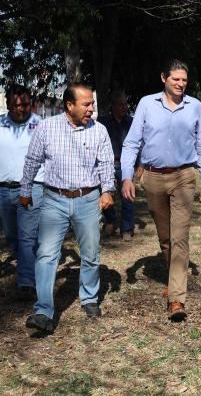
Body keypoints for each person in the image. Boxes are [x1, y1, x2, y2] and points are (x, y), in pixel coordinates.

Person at [20, 83, 115, 332]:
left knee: (91, 253)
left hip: (88, 200)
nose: (91, 109)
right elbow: (32, 161)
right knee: (46, 255)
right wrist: (25, 191)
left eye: (92, 104)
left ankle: (89, 297)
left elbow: (106, 164)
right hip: (54, 199)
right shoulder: (47, 128)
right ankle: (43, 311)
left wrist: (107, 191)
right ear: (69, 105)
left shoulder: (99, 131)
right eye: (86, 104)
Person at [121, 59, 201, 322]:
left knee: (180, 237)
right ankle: (174, 280)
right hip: (153, 178)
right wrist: (127, 177)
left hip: (183, 176)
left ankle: (177, 299)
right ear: (164, 78)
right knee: (166, 238)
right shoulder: (147, 104)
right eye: (176, 80)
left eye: (184, 80)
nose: (181, 84)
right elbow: (132, 143)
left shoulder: (195, 106)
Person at [0, 84, 45, 300]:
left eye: (25, 104)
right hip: (3, 190)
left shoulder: (40, 126)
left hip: (32, 187)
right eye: (16, 105)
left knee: (28, 236)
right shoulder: (0, 124)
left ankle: (26, 282)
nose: (21, 108)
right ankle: (27, 267)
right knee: (12, 235)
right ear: (8, 104)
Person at [97, 90, 140, 241]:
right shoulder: (102, 122)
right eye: (120, 104)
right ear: (113, 106)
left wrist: (139, 165)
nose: (124, 107)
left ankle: (127, 228)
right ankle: (111, 220)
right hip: (106, 164)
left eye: (125, 104)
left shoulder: (132, 122)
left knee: (127, 196)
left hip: (125, 165)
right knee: (103, 192)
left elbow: (138, 144)